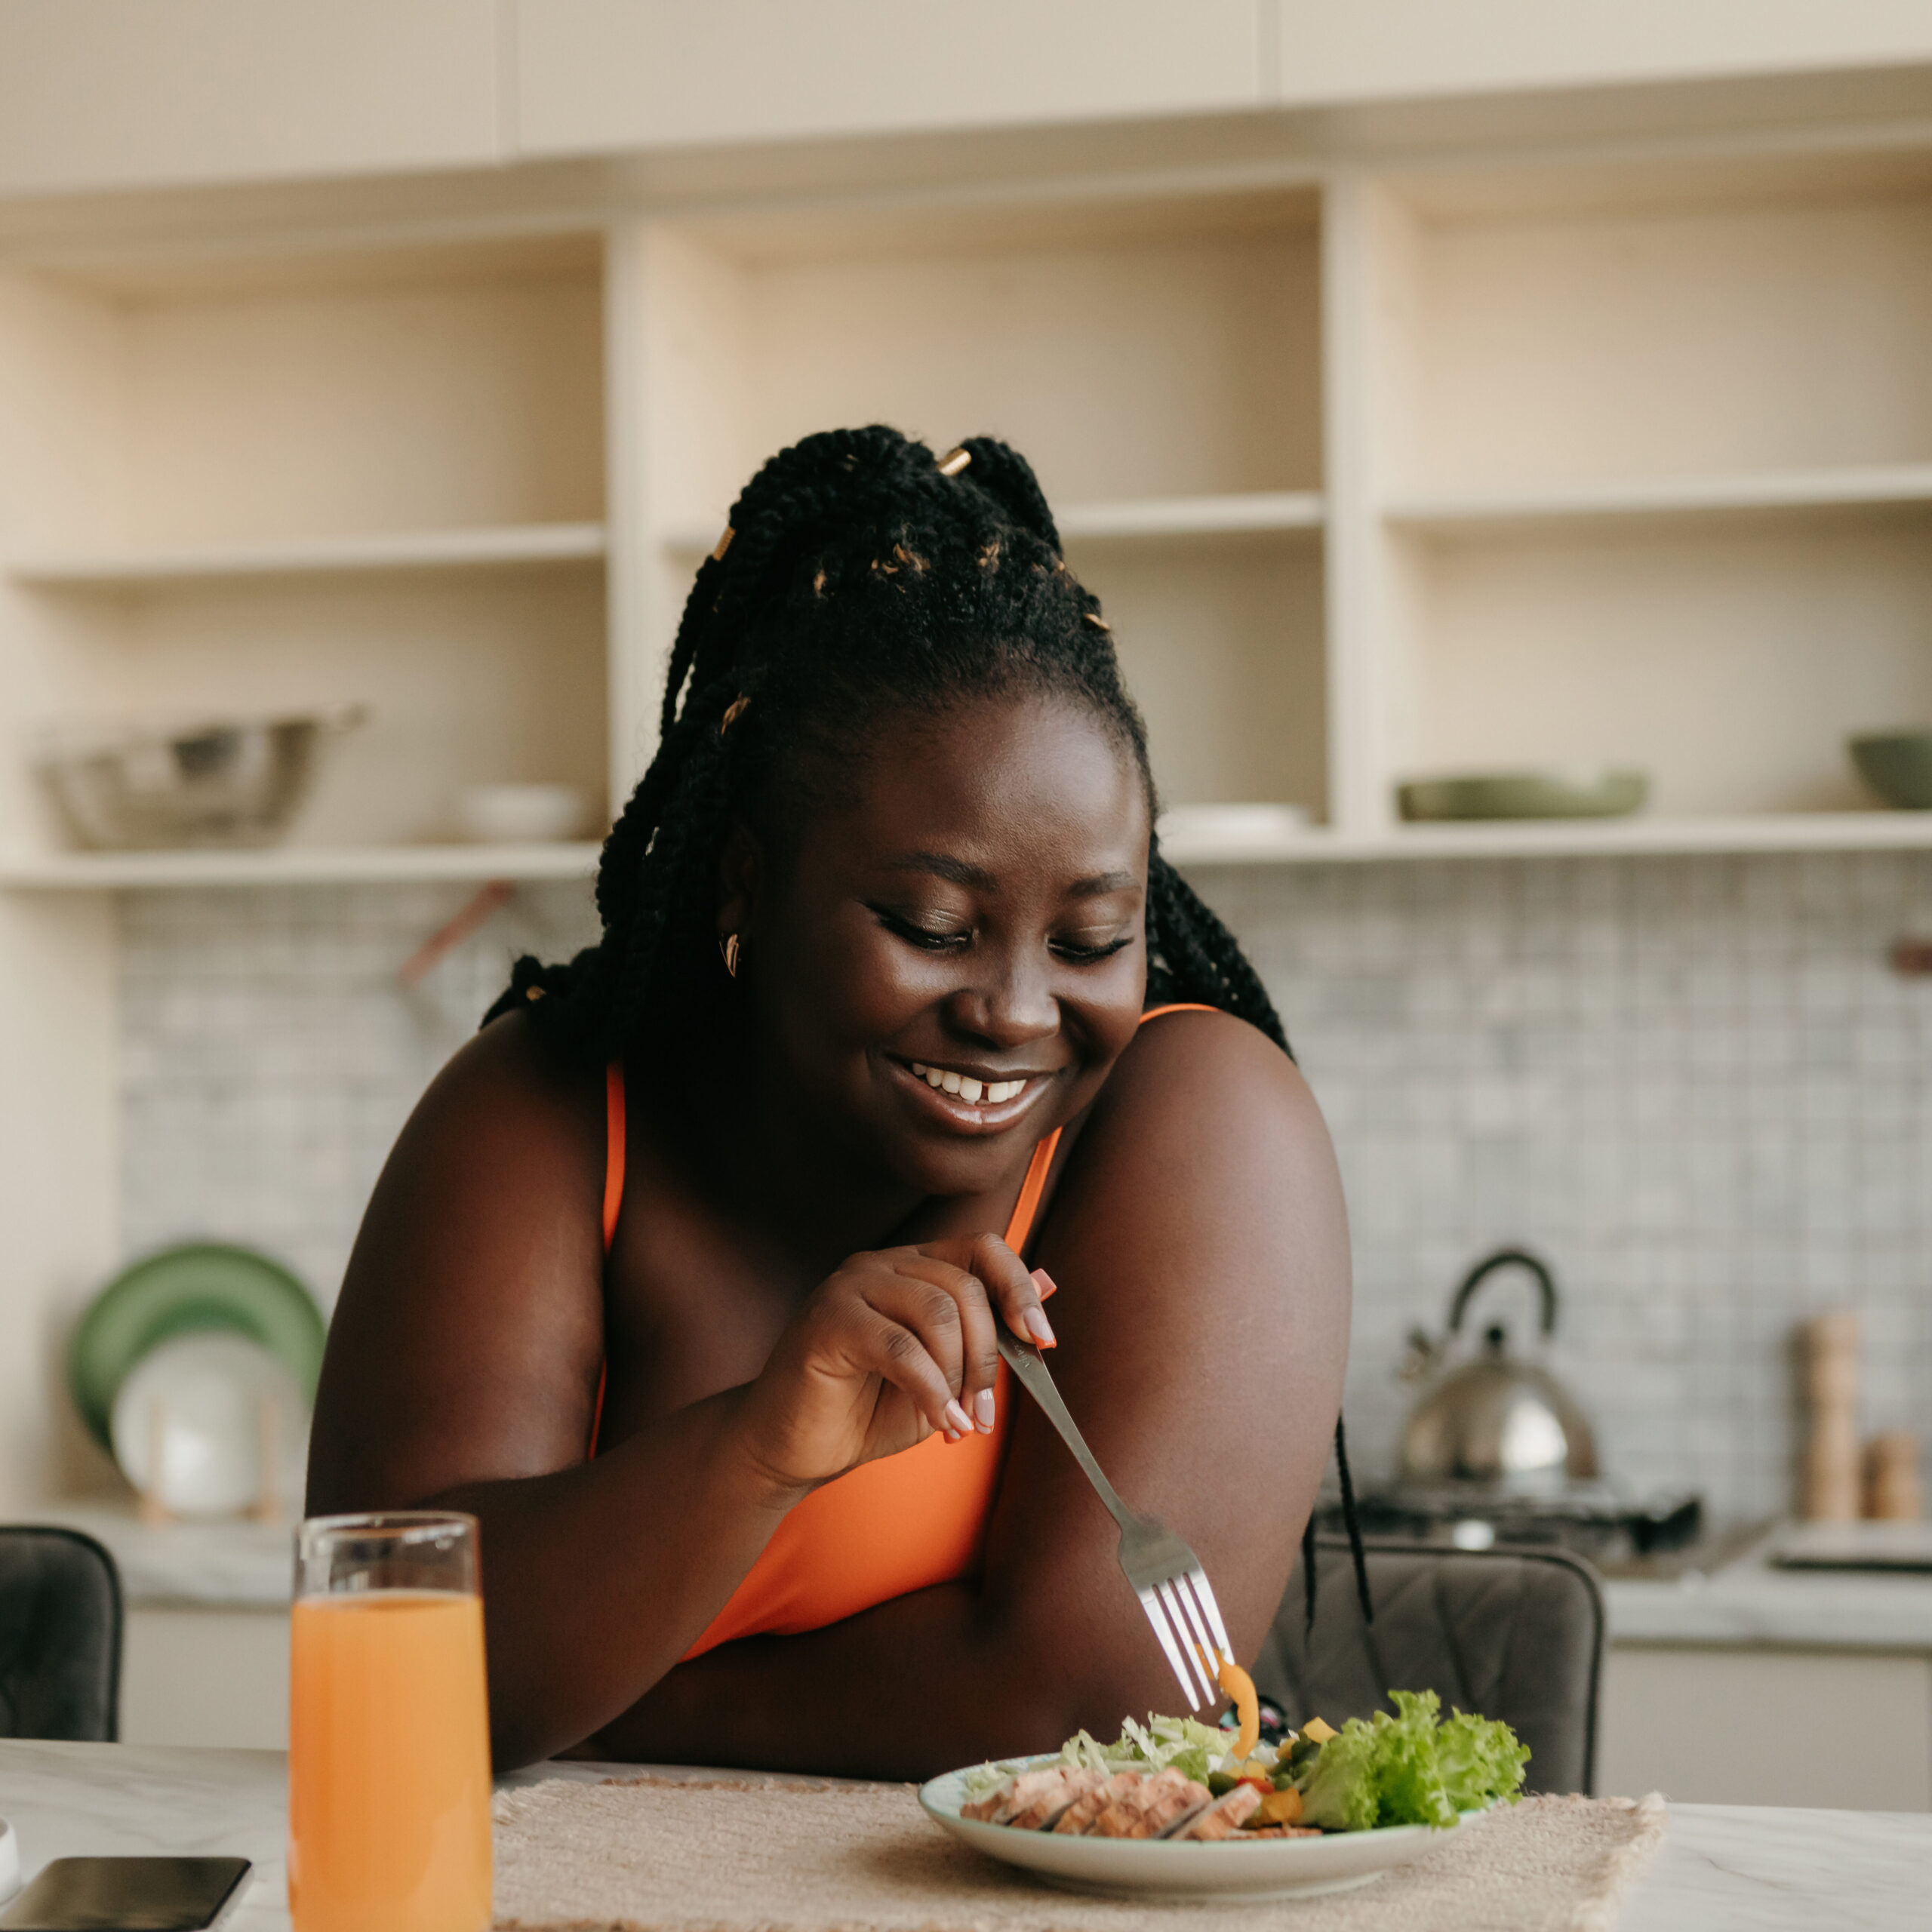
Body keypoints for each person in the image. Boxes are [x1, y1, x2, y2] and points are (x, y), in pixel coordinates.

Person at [306, 426, 1352, 1778]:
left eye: (1092, 939)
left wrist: (619, 1702)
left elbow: (1090, 1712)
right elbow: (384, 1667)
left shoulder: (1202, 1120)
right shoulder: (549, 1107)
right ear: (745, 883)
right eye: (931, 922)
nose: (1019, 1012)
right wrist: (750, 1453)